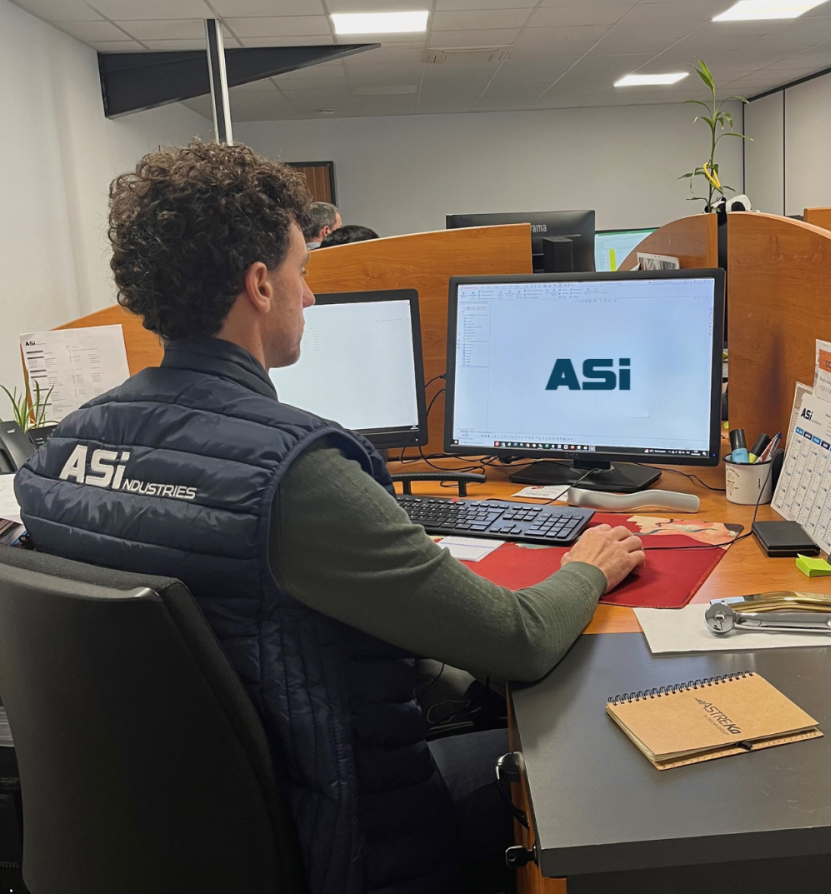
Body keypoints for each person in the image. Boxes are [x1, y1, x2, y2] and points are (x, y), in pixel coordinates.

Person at [14, 142, 644, 894]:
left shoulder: (59, 450)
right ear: (259, 284)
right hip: (341, 840)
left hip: (171, 838)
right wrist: (588, 568)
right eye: (301, 272)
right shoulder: (296, 473)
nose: (308, 298)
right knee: (562, 771)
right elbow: (517, 640)